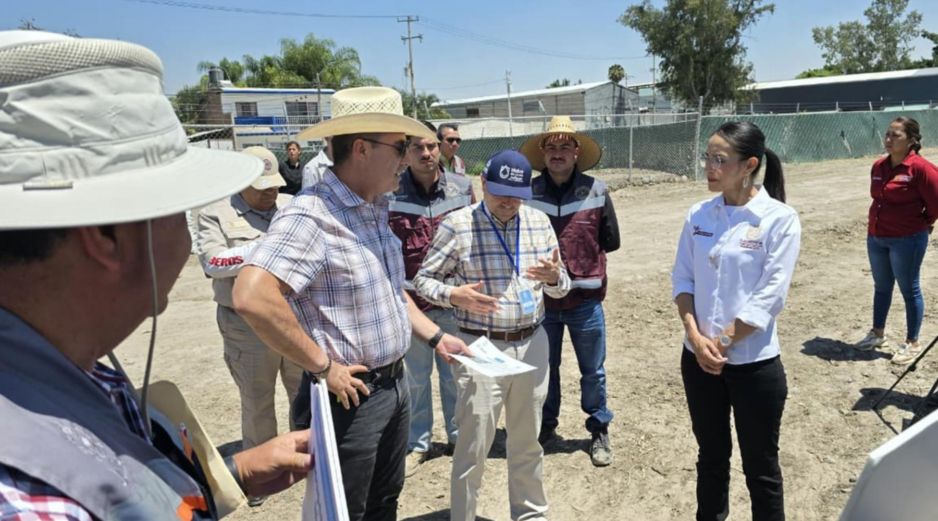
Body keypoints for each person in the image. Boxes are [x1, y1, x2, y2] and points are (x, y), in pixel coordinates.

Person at [0, 30, 311, 519]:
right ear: (108, 237)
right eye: (176, 208)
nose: (183, 236)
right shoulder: (33, 502)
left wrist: (227, 474)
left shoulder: (74, 371)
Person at [231, 86, 471, 521]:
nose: (407, 157)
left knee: (383, 502)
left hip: (393, 387)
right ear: (361, 149)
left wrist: (436, 337)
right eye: (399, 147)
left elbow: (391, 289)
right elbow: (252, 296)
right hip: (350, 399)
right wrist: (323, 367)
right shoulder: (312, 215)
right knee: (347, 512)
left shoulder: (373, 208)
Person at [414, 150, 571, 521]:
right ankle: (464, 516)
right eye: (500, 192)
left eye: (516, 194)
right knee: (473, 445)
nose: (508, 202)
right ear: (482, 184)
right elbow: (422, 281)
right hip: (480, 346)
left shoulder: (538, 222)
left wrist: (554, 279)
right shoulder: (457, 225)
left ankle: (530, 513)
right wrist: (453, 295)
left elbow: (562, 287)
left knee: (527, 441)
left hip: (532, 342)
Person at [671, 121, 800, 521]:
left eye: (719, 159)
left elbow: (770, 296)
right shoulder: (699, 214)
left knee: (760, 469)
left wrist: (722, 342)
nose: (708, 166)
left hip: (753, 367)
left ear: (749, 166)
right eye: (707, 157)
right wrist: (695, 337)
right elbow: (682, 279)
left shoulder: (778, 219)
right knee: (710, 458)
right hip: (699, 362)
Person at [520, 115, 619, 467]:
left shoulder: (597, 189)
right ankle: (546, 427)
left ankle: (598, 428)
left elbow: (612, 240)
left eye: (565, 146)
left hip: (585, 301)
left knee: (593, 370)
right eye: (551, 146)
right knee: (546, 369)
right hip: (542, 302)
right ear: (543, 153)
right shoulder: (528, 193)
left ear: (577, 152)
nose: (558, 152)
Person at [196, 147, 304, 459]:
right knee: (257, 399)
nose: (271, 191)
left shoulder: (290, 206)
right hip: (247, 325)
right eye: (262, 187)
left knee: (303, 394)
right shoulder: (215, 212)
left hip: (293, 316)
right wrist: (268, 248)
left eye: (274, 184)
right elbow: (212, 262)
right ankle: (262, 467)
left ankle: (306, 457)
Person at [388, 121, 475, 477]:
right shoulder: (390, 193)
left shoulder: (463, 187)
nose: (426, 154)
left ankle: (459, 438)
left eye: (432, 147)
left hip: (454, 302)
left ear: (441, 148)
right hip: (412, 306)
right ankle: (417, 444)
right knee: (415, 379)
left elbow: (474, 237)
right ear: (406, 153)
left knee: (457, 376)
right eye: (417, 148)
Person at [854, 117, 938, 365]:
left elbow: (935, 204)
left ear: (911, 140)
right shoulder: (879, 166)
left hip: (907, 239)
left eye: (896, 136)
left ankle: (913, 343)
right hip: (877, 236)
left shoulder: (920, 169)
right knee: (881, 287)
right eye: (887, 134)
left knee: (909, 289)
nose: (889, 140)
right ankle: (877, 334)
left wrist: (921, 224)